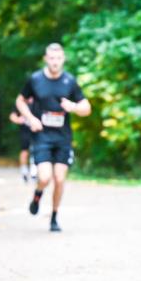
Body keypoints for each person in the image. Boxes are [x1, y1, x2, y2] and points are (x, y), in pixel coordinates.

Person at [15, 42, 91, 232]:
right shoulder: (35, 79)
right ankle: (38, 194)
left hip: (63, 137)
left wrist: (73, 107)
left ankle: (54, 217)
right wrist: (30, 118)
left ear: (63, 59)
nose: (55, 62)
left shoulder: (69, 81)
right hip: (42, 136)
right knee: (44, 177)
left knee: (59, 179)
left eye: (58, 58)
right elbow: (20, 101)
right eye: (51, 58)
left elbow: (86, 108)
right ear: (46, 59)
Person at [8, 99, 35, 182]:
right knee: (25, 151)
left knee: (36, 150)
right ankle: (24, 171)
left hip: (37, 130)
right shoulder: (21, 102)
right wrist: (18, 120)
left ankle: (34, 172)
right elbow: (12, 116)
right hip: (25, 130)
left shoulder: (40, 99)